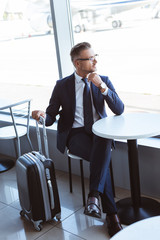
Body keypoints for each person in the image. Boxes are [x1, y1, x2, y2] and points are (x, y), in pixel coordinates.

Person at [32, 42, 124, 237]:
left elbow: (119, 109)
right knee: (102, 160)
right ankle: (111, 215)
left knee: (103, 142)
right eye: (90, 58)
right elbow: (50, 117)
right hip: (75, 134)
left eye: (94, 56)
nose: (95, 61)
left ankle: (94, 198)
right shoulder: (62, 85)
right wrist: (41, 114)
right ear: (77, 63)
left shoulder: (103, 80)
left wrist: (102, 87)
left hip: (100, 132)